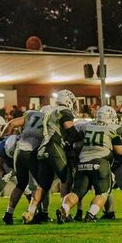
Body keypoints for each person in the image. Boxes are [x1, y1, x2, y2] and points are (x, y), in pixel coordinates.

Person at [22, 90, 83, 224]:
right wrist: (80, 137)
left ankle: (30, 211)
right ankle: (64, 211)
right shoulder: (64, 111)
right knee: (66, 179)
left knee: (43, 185)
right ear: (68, 101)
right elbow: (70, 129)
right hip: (54, 146)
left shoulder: (48, 111)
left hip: (42, 149)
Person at [56, 106, 122, 223]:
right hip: (100, 162)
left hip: (82, 163)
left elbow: (77, 144)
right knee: (102, 193)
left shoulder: (86, 127)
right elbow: (119, 151)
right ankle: (91, 214)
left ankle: (64, 209)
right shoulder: (112, 129)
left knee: (76, 192)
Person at [0, 106, 49, 225]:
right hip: (31, 152)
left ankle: (8, 213)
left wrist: (1, 138)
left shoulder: (31, 115)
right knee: (42, 184)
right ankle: (32, 213)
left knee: (21, 184)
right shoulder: (49, 119)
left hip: (18, 150)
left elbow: (11, 123)